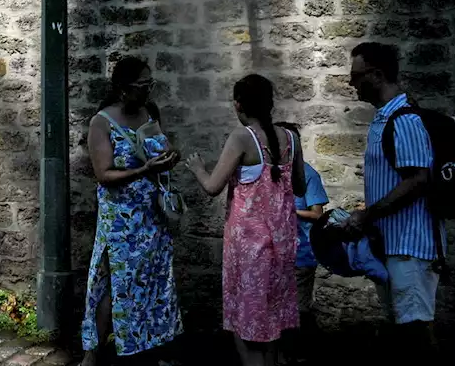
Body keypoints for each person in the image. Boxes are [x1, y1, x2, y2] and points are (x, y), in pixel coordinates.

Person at [186, 75, 305, 366]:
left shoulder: (242, 137)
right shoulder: (291, 138)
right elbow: (300, 187)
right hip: (281, 248)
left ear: (238, 104)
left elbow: (213, 186)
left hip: (249, 251)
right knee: (272, 323)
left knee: (247, 325)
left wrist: (198, 168)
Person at [79, 56, 182, 366]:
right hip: (122, 222)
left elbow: (159, 150)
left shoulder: (150, 113)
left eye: (151, 84)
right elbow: (103, 174)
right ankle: (92, 353)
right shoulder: (102, 122)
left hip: (153, 216)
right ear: (123, 89)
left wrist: (169, 158)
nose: (149, 90)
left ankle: (155, 346)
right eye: (143, 85)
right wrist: (144, 170)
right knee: (114, 284)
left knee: (156, 282)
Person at [344, 42, 442, 362]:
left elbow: (418, 180)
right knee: (403, 328)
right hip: (393, 245)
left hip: (410, 245)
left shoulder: (404, 119)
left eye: (356, 75)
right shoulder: (383, 119)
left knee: (415, 330)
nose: (350, 82)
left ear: (378, 74)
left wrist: (367, 215)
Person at [276, 122, 330, 363]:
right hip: (276, 254)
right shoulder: (271, 173)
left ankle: (302, 354)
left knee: (299, 310)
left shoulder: (308, 175)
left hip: (302, 253)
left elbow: (317, 214)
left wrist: (289, 211)